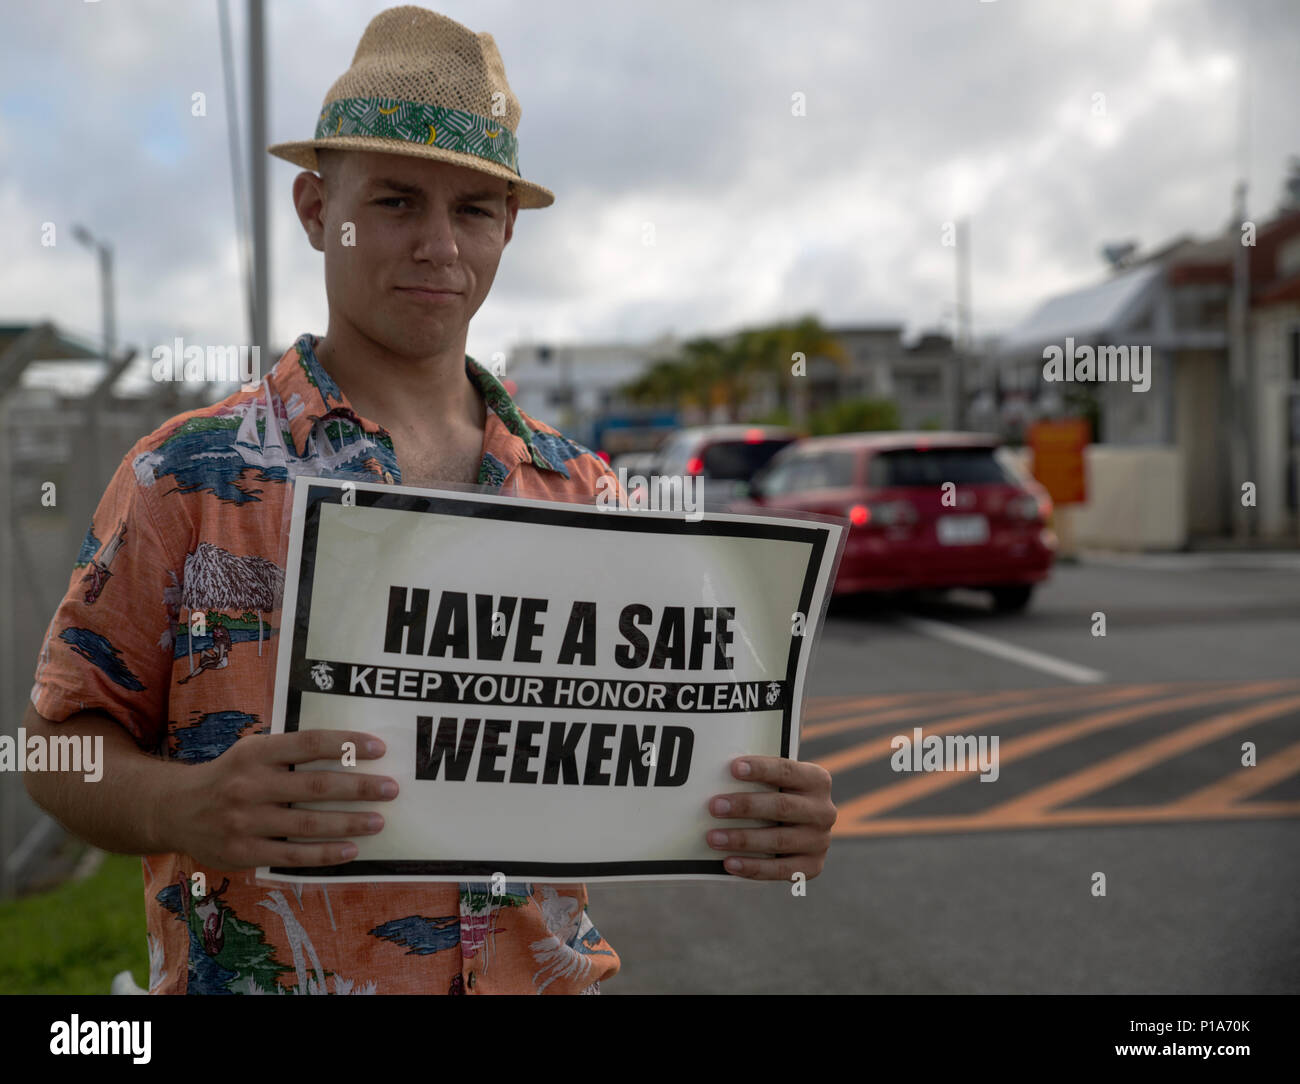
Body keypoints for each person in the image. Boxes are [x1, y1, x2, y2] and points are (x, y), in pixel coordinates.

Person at [22, 5, 836, 995]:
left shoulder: (587, 492)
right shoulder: (185, 476)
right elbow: (55, 747)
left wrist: (756, 805)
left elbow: (648, 749)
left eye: (476, 211)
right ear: (317, 209)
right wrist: (179, 808)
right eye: (398, 202)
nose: (439, 246)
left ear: (508, 228)